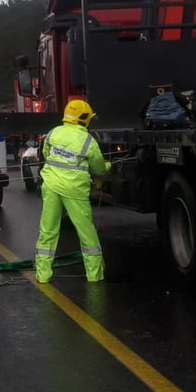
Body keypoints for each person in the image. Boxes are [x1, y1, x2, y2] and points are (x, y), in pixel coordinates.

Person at [34, 99, 112, 284]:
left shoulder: (53, 133)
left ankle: (43, 275)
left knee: (48, 231)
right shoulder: (88, 141)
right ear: (84, 118)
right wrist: (107, 167)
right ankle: (95, 275)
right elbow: (99, 168)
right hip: (74, 190)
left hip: (51, 186)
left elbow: (46, 155)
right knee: (86, 233)